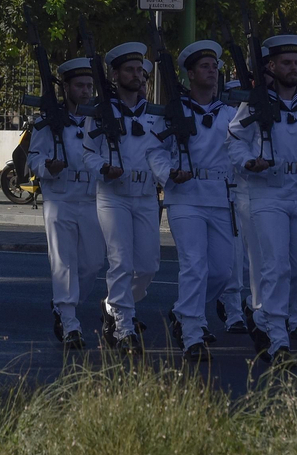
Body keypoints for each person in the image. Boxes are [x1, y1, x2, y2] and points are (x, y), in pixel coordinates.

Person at [229, 34, 297, 364]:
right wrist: (247, 162)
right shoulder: (255, 102)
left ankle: (267, 317)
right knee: (274, 266)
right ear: (271, 66)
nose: (293, 68)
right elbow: (234, 142)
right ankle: (277, 334)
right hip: (266, 191)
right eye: (286, 63)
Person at [83, 42, 174, 353]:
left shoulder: (156, 115)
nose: (137, 76)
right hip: (113, 195)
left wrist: (168, 177)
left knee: (148, 266)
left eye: (140, 71)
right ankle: (124, 327)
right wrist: (103, 168)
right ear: (116, 74)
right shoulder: (100, 111)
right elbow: (86, 153)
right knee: (120, 261)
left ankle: (113, 304)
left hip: (147, 194)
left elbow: (161, 153)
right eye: (130, 70)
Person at [162, 40, 240, 362]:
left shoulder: (231, 115)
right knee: (195, 265)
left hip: (220, 197)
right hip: (185, 197)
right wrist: (168, 171)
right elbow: (154, 150)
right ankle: (192, 334)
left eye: (215, 66)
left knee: (221, 272)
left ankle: (183, 311)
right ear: (190, 74)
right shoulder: (173, 112)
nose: (213, 71)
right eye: (205, 67)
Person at [26, 58, 104, 350]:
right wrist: (49, 166)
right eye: (80, 86)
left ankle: (63, 306)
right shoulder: (48, 121)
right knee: (63, 262)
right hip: (61, 196)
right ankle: (70, 321)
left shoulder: (98, 118)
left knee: (93, 262)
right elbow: (32, 157)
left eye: (89, 86)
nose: (85, 91)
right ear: (67, 88)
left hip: (93, 197)